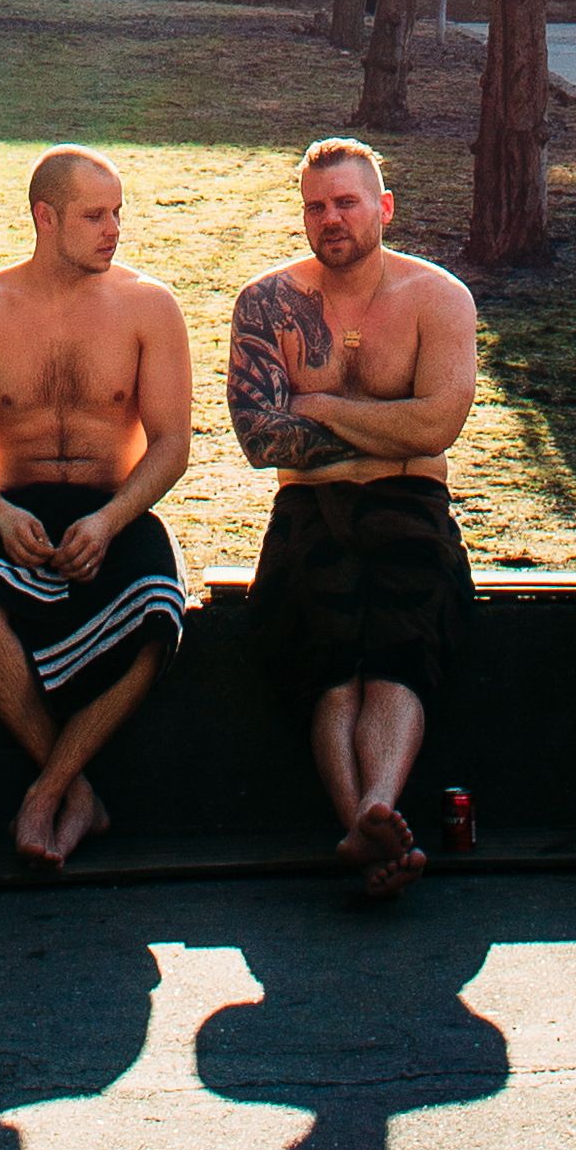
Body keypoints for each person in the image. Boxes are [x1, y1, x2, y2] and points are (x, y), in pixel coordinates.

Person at [226, 134, 482, 896]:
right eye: (316, 206)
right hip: (308, 508)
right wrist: (384, 420)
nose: (330, 217)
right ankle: (366, 822)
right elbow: (263, 440)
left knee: (403, 641)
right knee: (327, 647)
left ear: (384, 208)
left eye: (345, 202)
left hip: (412, 501)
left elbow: (437, 427)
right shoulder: (268, 300)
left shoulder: (438, 297)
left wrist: (321, 405)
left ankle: (369, 816)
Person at [0, 149, 198, 870]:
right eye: (95, 216)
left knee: (157, 617)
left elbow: (172, 444)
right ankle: (75, 789)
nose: (114, 230)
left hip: (115, 510)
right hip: (11, 511)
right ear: (45, 218)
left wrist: (111, 521)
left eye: (118, 213)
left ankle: (47, 793)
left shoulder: (150, 306)